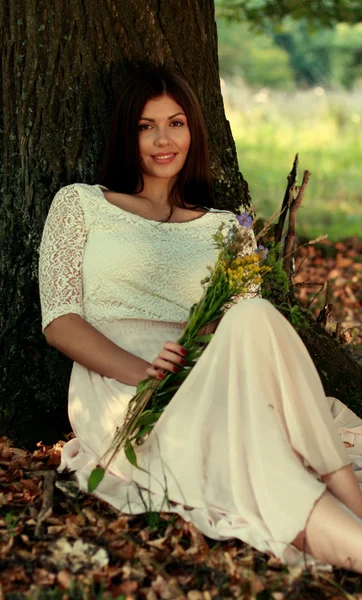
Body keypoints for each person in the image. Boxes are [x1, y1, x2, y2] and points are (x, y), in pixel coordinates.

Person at [38, 67, 362, 572]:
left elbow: (240, 333)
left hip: (209, 375)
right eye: (147, 126)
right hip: (126, 388)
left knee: (253, 312)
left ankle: (346, 493)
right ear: (127, 132)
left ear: (195, 130)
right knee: (259, 465)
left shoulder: (227, 227)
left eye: (177, 123)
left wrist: (198, 357)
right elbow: (59, 320)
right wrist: (141, 371)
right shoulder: (81, 205)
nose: (164, 140)